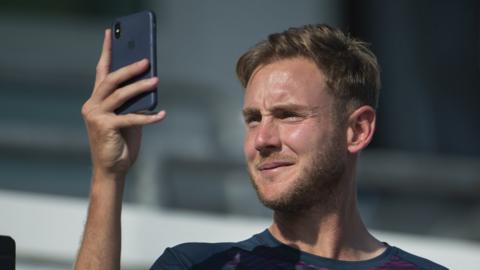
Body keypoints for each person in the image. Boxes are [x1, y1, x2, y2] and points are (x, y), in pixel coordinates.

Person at [74, 24, 447, 270]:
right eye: (253, 118)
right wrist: (108, 177)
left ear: (357, 130)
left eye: (287, 115)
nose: (262, 139)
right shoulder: (197, 266)